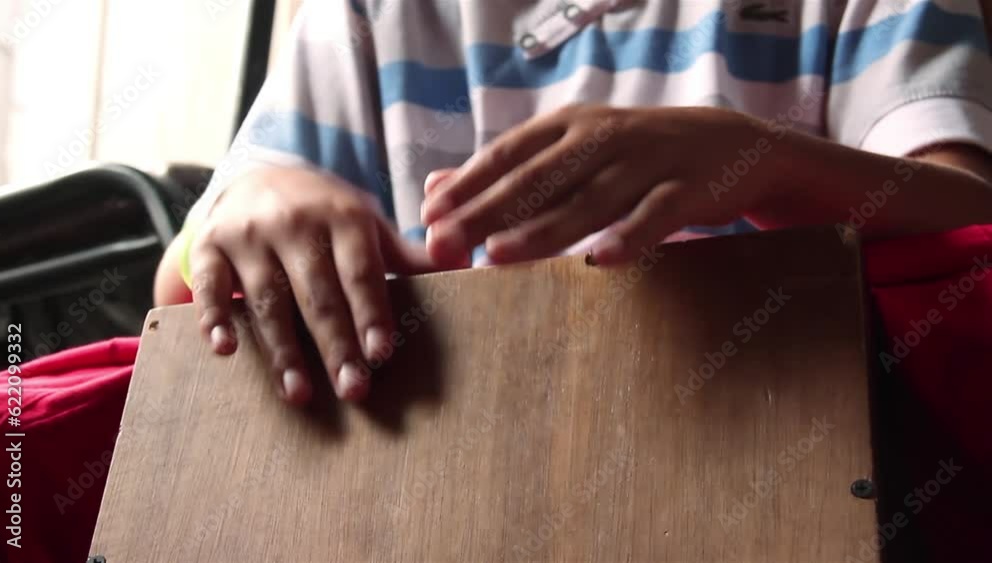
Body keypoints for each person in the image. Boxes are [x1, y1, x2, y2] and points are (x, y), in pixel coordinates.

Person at [154, 0, 992, 405]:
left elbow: (969, 228)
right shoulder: (368, 14)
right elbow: (179, 295)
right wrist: (248, 203)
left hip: (775, 447)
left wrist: (764, 164)